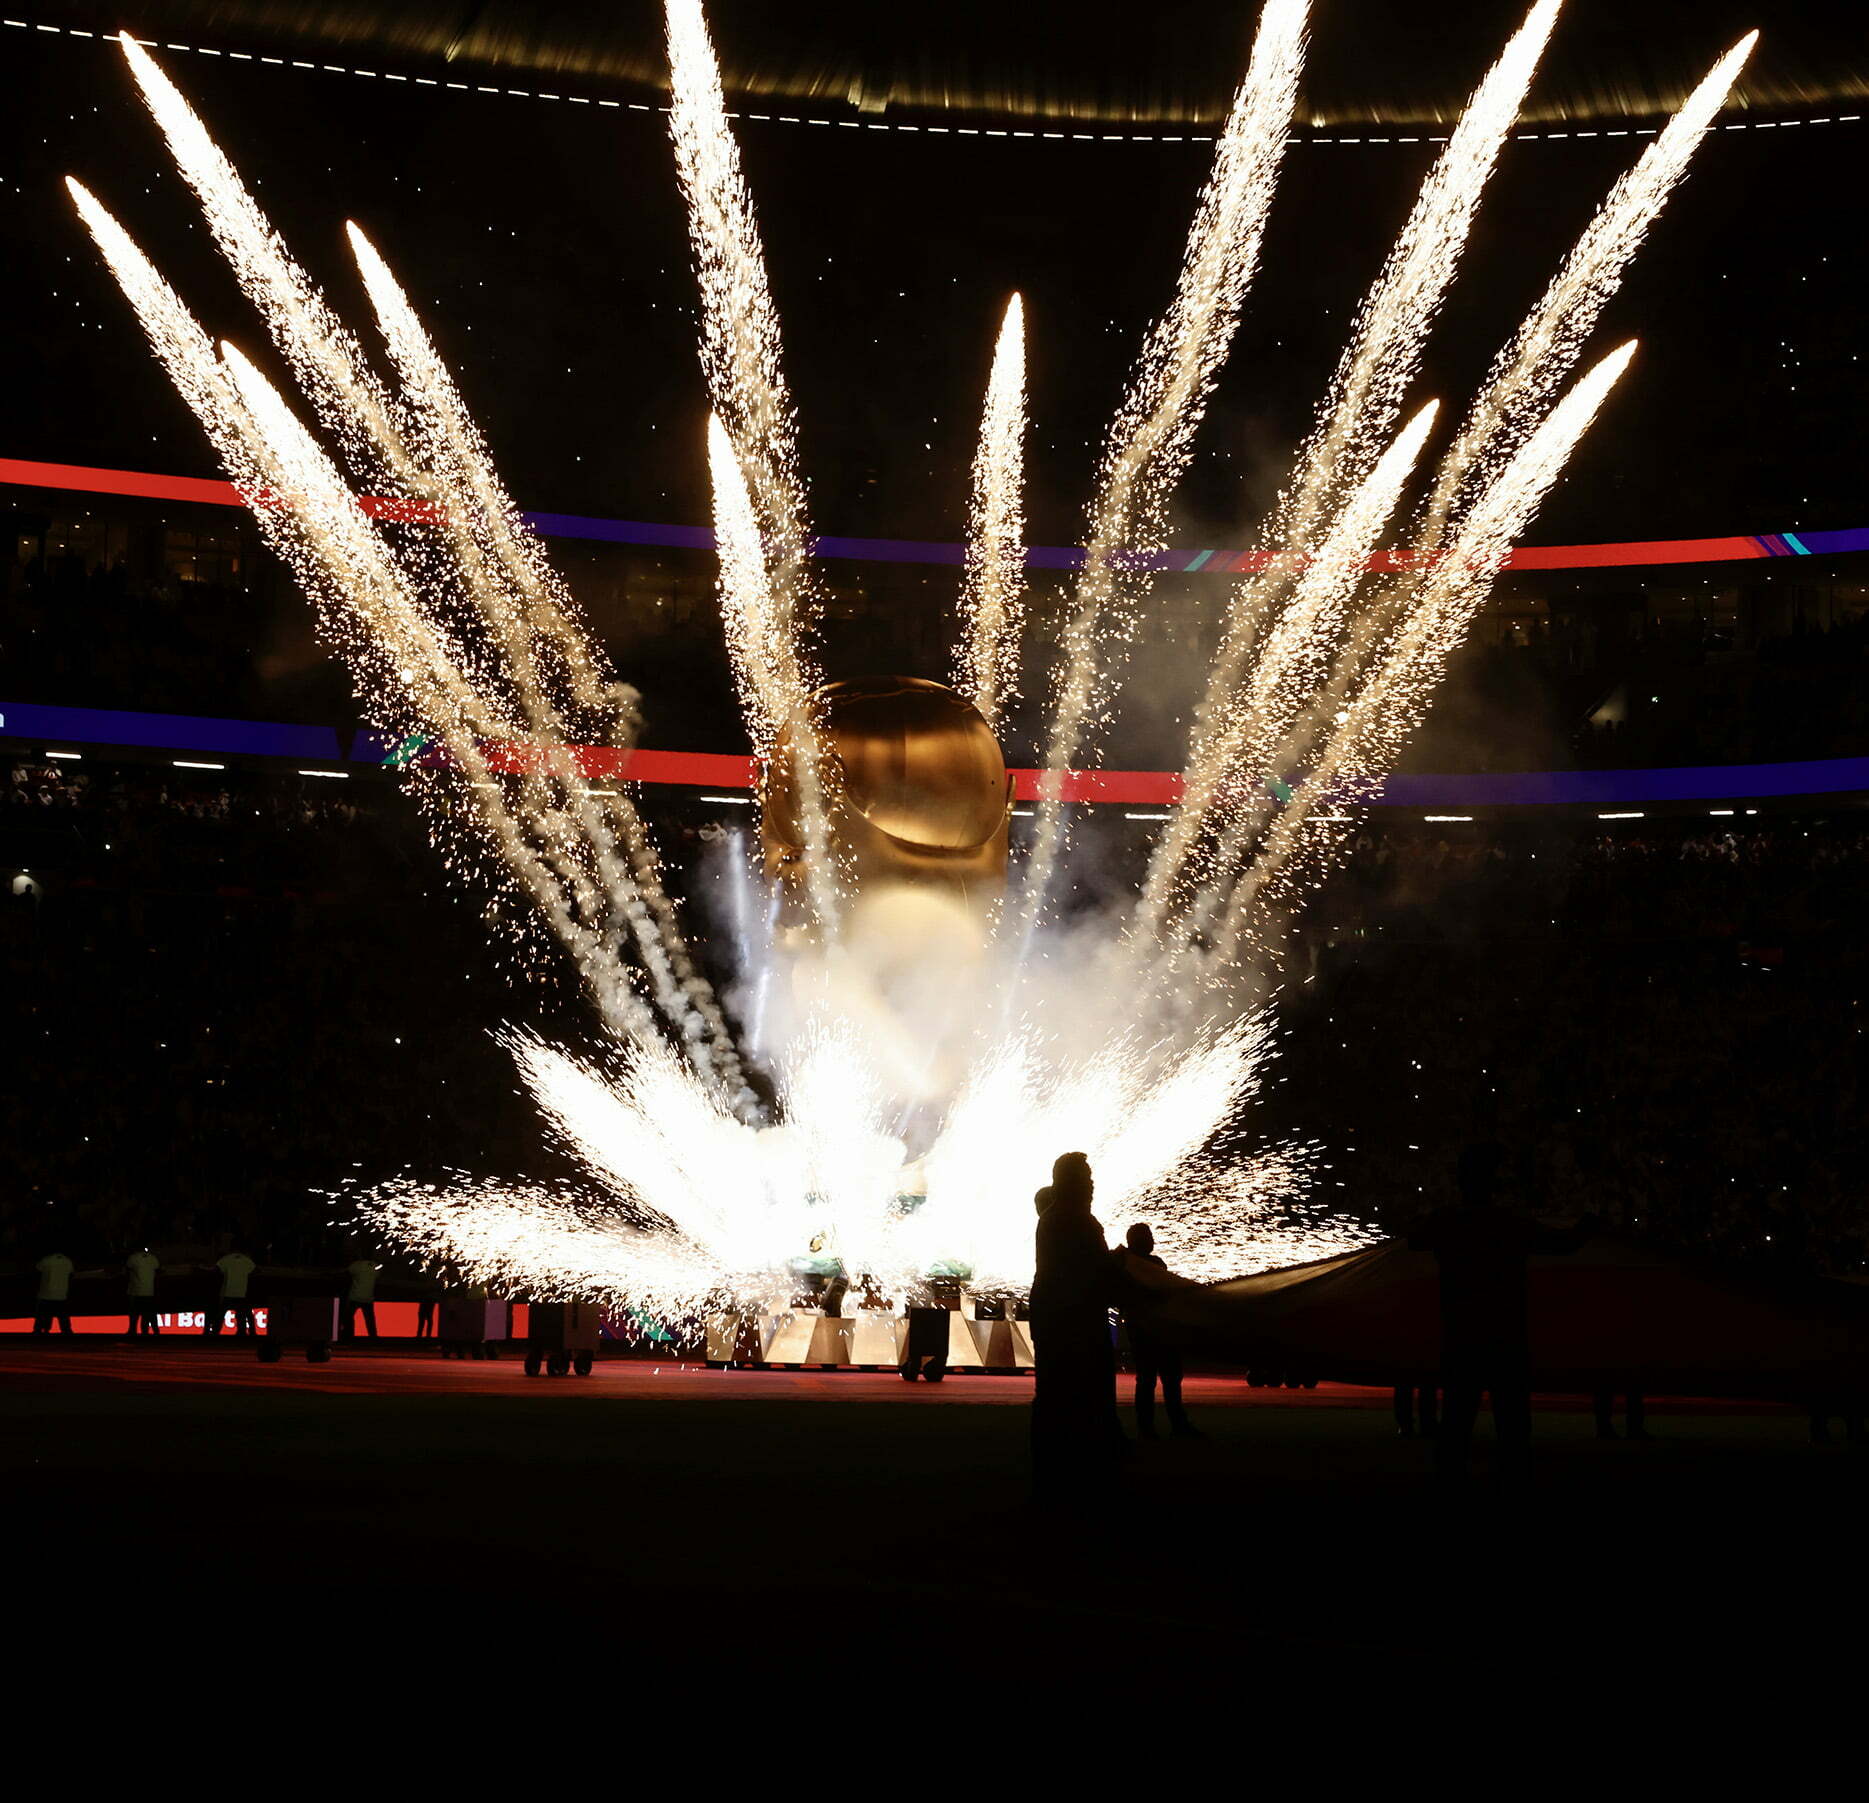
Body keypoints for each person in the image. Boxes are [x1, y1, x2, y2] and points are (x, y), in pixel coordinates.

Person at [1406, 1143, 1597, 1478]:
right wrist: (1591, 1223)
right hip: (1505, 1338)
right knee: (1512, 1427)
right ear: (1491, 1182)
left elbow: (1412, 1238)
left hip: (1461, 1337)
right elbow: (1565, 1244)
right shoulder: (1508, 1223)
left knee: (1456, 1423)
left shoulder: (1447, 1222)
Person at [1029, 1152, 1123, 1494]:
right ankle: (1072, 1474)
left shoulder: (1059, 1218)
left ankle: (1055, 1472)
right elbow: (1093, 1271)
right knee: (1073, 1395)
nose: (1092, 1183)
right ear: (1068, 1182)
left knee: (1055, 1397)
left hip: (1058, 1318)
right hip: (1072, 1322)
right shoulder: (1077, 1221)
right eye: (1085, 1176)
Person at [1112, 1223, 1198, 1439]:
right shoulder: (1147, 1265)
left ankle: (1149, 1429)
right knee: (1164, 1379)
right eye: (1148, 1237)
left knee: (1149, 1380)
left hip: (1146, 1329)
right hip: (1155, 1329)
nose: (1153, 1241)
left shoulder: (1125, 1265)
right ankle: (1176, 1425)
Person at [206, 1246, 257, 1336]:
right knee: (243, 1315)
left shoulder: (226, 1259)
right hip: (242, 1292)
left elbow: (216, 1270)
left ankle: (215, 1333)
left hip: (227, 1292)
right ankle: (245, 1333)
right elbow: (255, 1271)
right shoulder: (247, 1260)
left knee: (220, 1315)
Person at [32, 1249, 74, 1336]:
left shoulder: (46, 1260)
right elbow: (70, 1274)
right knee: (63, 1315)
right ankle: (66, 1331)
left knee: (43, 1314)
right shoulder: (67, 1261)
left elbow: (37, 1270)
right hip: (61, 1293)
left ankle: (41, 1329)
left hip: (46, 1292)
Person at [124, 1246, 161, 1337]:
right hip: (149, 1291)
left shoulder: (133, 1258)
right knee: (148, 1314)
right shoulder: (153, 1258)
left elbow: (127, 1268)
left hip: (136, 1291)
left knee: (134, 1314)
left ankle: (133, 1331)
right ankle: (148, 1332)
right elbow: (157, 1267)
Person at [341, 1253, 379, 1340]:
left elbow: (346, 1273)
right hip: (368, 1297)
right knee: (370, 1320)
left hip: (355, 1296)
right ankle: (373, 1338)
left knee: (348, 1318)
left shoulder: (356, 1265)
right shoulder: (375, 1266)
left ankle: (349, 1337)